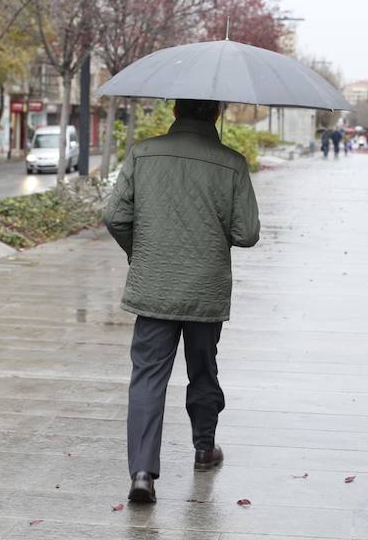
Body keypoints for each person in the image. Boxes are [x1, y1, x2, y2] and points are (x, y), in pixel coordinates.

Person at [103, 98, 260, 504]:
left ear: (175, 111)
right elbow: (247, 233)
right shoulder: (232, 163)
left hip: (154, 285)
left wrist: (140, 253)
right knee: (203, 370)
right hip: (205, 289)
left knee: (147, 376)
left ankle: (142, 473)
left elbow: (115, 216)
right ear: (217, 114)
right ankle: (204, 448)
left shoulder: (143, 153)